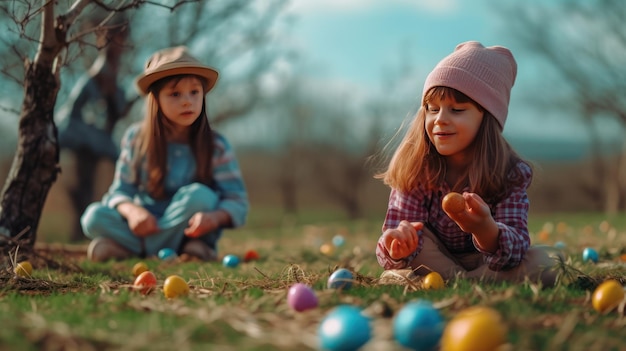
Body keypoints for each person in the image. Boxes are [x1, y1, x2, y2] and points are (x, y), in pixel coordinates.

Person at [375, 41, 559, 287]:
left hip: (488, 262)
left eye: (457, 109)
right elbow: (396, 237)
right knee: (419, 243)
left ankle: (455, 282)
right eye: (432, 109)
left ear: (487, 117)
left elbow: (515, 247)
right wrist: (396, 245)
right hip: (435, 259)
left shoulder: (510, 173)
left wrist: (487, 231)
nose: (440, 119)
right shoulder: (415, 169)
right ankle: (473, 282)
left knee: (548, 262)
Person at [80, 46, 249, 262]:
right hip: (144, 226)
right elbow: (119, 192)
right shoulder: (135, 139)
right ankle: (176, 251)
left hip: (188, 229)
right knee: (93, 217)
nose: (187, 100)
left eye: (194, 92)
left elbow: (237, 201)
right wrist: (133, 212)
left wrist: (214, 218)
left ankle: (136, 250)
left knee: (200, 196)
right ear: (156, 99)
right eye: (175, 93)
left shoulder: (216, 145)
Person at [56, 14, 135, 242]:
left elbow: (114, 109)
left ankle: (83, 230)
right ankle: (80, 231)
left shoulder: (114, 72)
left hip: (96, 136)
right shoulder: (100, 72)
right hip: (86, 136)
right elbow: (86, 104)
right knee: (85, 183)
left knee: (89, 183)